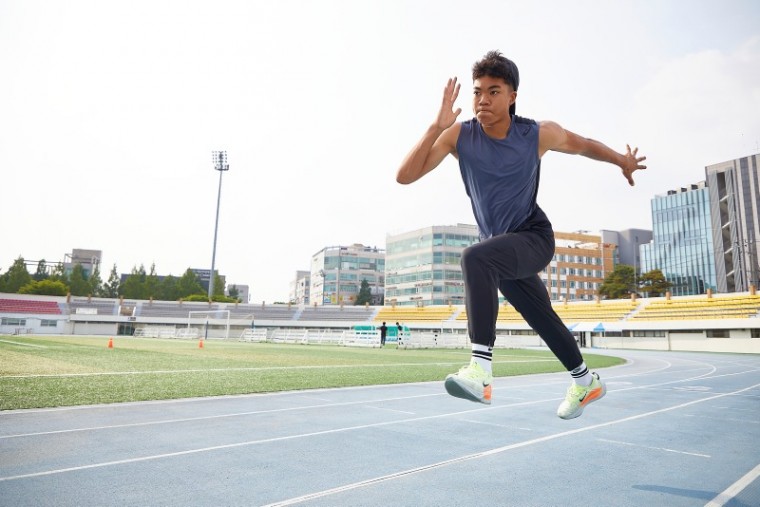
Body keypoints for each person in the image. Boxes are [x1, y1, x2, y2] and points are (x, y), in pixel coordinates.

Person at [396, 51, 646, 419]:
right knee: (540, 315)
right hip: (501, 249)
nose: (483, 99)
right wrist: (436, 126)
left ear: (512, 96)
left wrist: (622, 161)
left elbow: (585, 145)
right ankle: (585, 381)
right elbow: (406, 176)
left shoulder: (537, 133)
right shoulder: (459, 136)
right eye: (477, 92)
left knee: (474, 257)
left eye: (493, 91)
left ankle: (480, 371)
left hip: (532, 236)